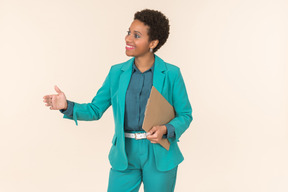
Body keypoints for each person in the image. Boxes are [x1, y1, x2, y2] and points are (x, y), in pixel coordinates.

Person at [43, 9, 192, 192]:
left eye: (136, 36)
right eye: (128, 32)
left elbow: (185, 115)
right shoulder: (116, 73)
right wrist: (67, 106)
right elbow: (95, 110)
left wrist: (166, 129)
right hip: (124, 154)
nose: (128, 39)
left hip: (159, 154)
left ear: (153, 42)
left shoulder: (171, 74)